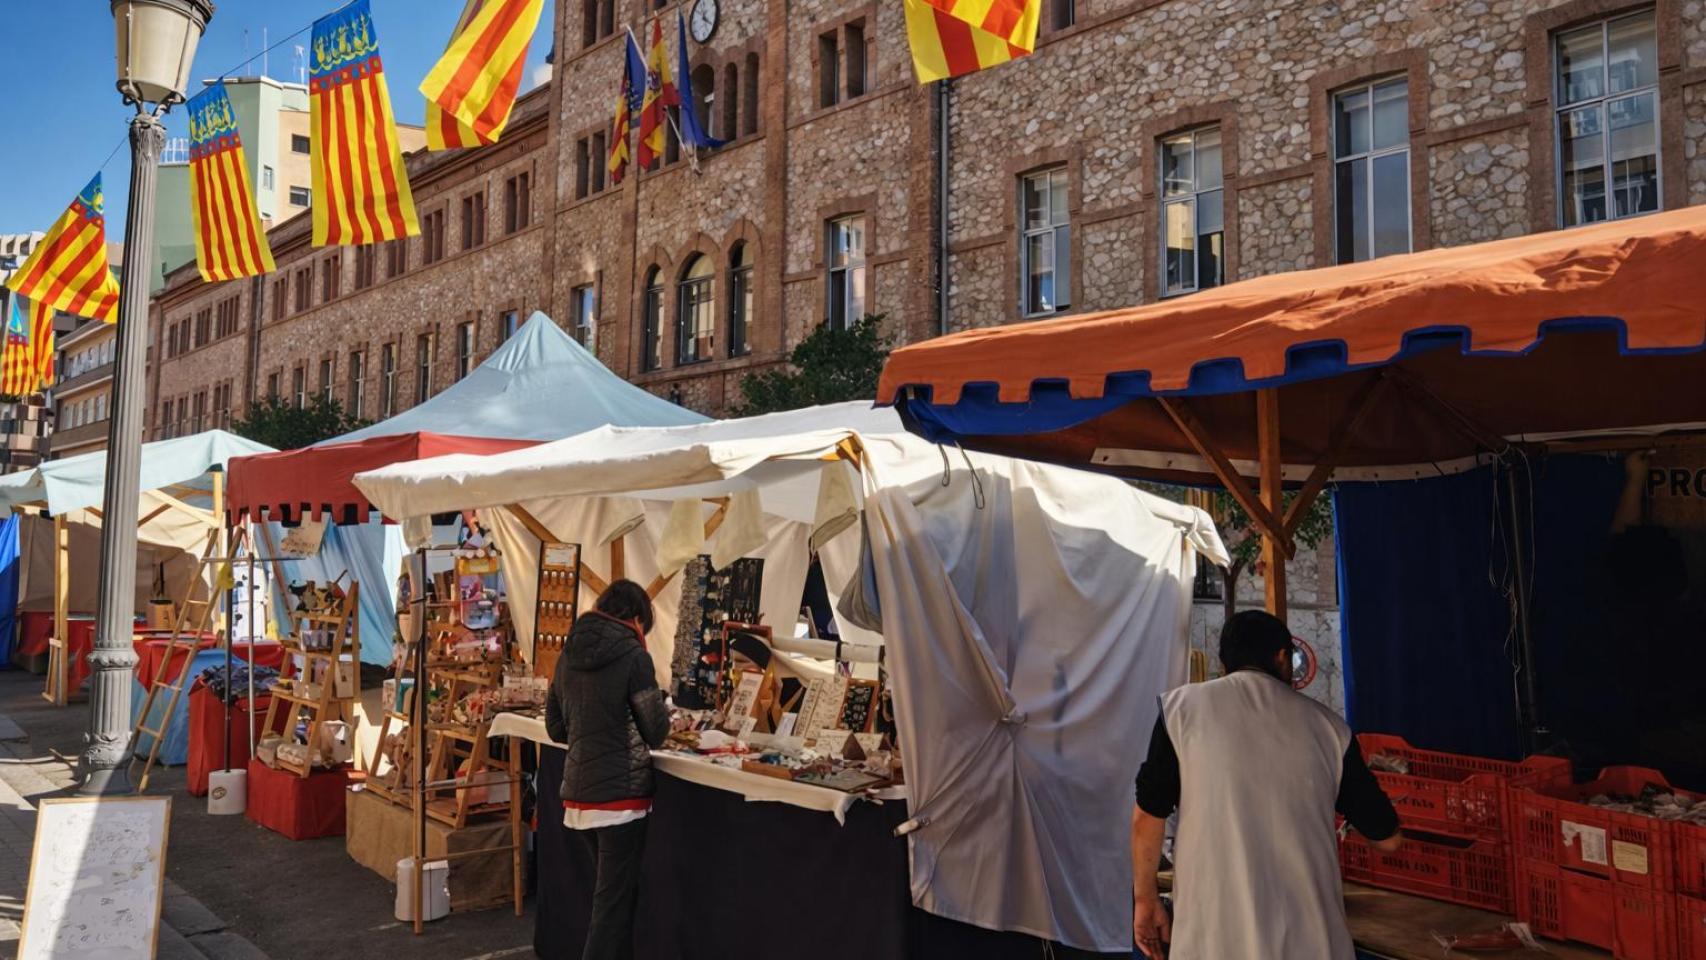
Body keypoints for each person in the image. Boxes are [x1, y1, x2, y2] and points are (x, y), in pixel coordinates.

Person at [1131, 610, 1401, 960]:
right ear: (1283, 657)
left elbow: (1147, 817)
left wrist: (1146, 899)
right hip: (1313, 942)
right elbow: (1388, 839)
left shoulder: (1180, 711)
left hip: (1213, 940)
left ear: (1224, 663)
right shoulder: (1330, 730)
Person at [545, 579, 670, 960]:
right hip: (622, 799)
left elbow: (555, 727)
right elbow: (656, 731)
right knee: (612, 911)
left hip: (579, 797)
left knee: (611, 902)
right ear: (636, 619)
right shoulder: (635, 658)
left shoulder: (569, 653)